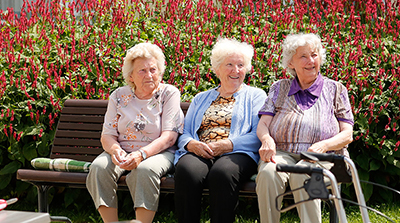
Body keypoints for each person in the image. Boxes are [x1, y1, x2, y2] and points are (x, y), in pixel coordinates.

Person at [256, 33, 354, 223]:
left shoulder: (336, 89)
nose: (311, 61)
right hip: (283, 152)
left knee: (303, 174)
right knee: (268, 173)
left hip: (325, 156)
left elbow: (347, 134)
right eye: (303, 56)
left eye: (314, 55)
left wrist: (323, 145)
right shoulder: (279, 88)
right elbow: (264, 124)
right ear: (290, 63)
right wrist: (267, 139)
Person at [86, 42, 184, 223]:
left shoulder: (168, 93)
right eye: (142, 71)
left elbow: (169, 137)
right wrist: (115, 150)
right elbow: (107, 135)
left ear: (160, 72)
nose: (149, 75)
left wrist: (141, 154)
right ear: (130, 76)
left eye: (153, 69)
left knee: (144, 170)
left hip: (159, 153)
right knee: (99, 168)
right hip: (123, 150)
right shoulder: (118, 96)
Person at [174, 37, 267, 223]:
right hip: (201, 150)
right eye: (229, 64)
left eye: (241, 65)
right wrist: (191, 144)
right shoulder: (201, 98)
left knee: (222, 174)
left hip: (238, 152)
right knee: (186, 171)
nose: (236, 70)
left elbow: (258, 134)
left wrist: (228, 144)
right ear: (217, 69)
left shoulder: (256, 96)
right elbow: (184, 132)